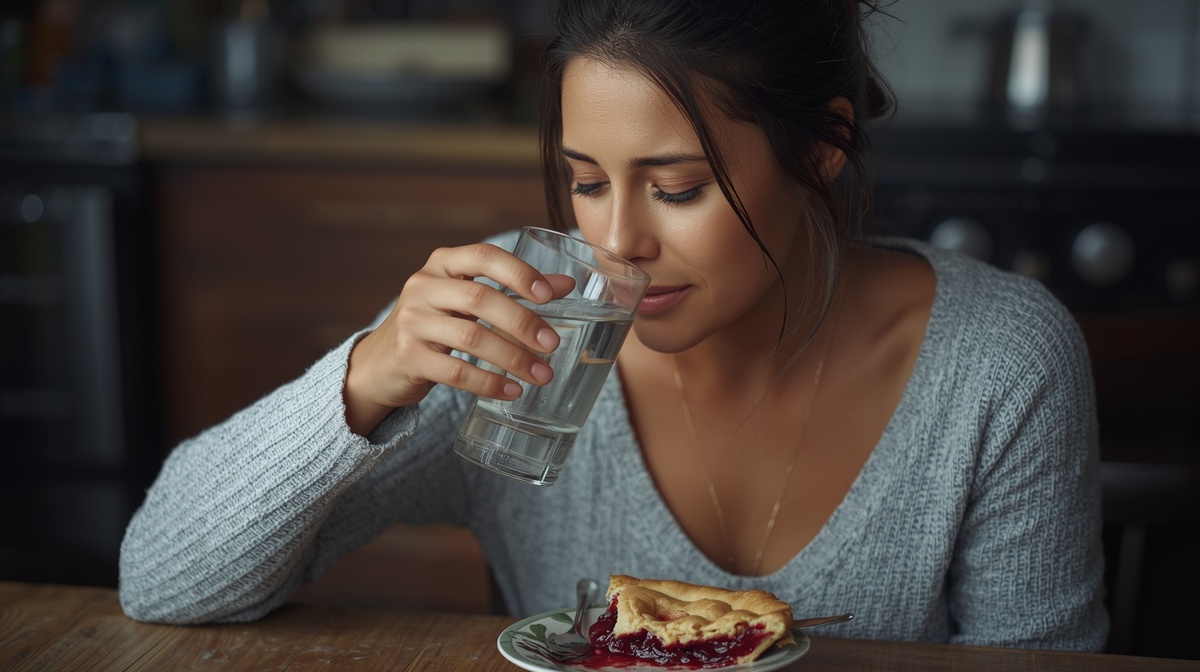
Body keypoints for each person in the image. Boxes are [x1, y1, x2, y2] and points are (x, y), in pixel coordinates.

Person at [118, 0, 1108, 650]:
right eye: (587, 182)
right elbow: (162, 580)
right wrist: (362, 377)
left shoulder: (998, 361)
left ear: (823, 148)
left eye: (675, 189)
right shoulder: (519, 323)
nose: (619, 239)